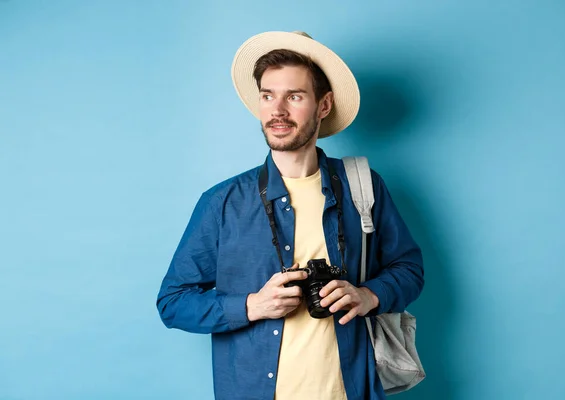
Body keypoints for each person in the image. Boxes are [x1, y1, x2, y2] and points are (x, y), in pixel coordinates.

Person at [156, 31, 424, 400]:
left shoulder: (363, 186)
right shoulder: (222, 201)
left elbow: (408, 269)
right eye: (268, 96)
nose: (277, 110)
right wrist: (251, 306)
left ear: (324, 105)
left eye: (294, 96)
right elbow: (172, 303)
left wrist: (368, 295)